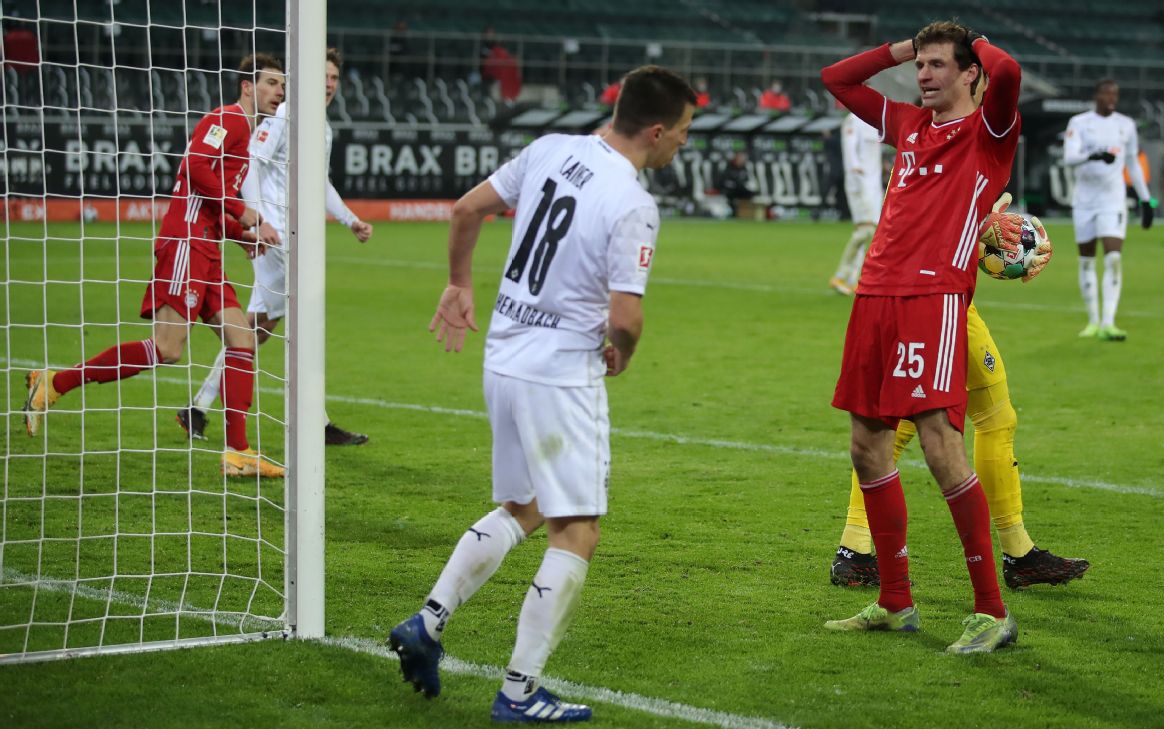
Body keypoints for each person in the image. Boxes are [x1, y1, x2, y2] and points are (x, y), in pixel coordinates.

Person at [387, 66, 696, 721]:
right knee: (577, 529)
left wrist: (458, 283)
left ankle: (427, 622)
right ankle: (519, 691)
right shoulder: (632, 201)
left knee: (524, 505)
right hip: (559, 372)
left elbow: (467, 208)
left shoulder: (551, 148)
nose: (683, 143)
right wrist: (622, 350)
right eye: (684, 130)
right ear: (656, 129)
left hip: (504, 355)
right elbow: (627, 316)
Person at [821, 20, 1038, 653]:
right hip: (874, 295)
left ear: (970, 73)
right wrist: (902, 48)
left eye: (938, 64)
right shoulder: (909, 125)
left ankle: (991, 611)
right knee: (867, 446)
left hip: (933, 299)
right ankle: (895, 601)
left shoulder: (990, 131)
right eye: (920, 65)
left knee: (941, 445)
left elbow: (1009, 72)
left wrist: (978, 39)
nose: (923, 75)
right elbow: (837, 79)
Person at [23, 54, 286, 478]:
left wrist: (243, 235)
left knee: (242, 341)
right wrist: (244, 211)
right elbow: (195, 166)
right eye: (271, 82)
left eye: (282, 85)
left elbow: (210, 201)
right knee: (167, 349)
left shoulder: (246, 133)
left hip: (207, 247)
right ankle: (55, 383)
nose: (279, 91)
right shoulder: (229, 119)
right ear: (247, 86)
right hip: (186, 244)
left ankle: (237, 452)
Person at [176, 48, 373, 447]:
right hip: (278, 237)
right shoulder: (284, 116)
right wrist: (258, 220)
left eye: (334, 78)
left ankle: (198, 407)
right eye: (322, 76)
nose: (329, 84)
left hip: (290, 237)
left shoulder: (322, 127)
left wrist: (349, 219)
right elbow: (253, 162)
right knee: (304, 320)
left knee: (258, 328)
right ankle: (315, 423)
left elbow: (320, 183)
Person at [829, 298, 1089, 590]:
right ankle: (1016, 554)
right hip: (943, 304)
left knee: (903, 417)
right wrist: (1005, 264)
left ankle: (853, 548)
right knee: (992, 418)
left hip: (894, 302)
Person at [1063, 78, 1154, 342]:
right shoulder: (1079, 123)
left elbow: (1133, 164)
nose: (1111, 99)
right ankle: (1092, 321)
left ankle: (1108, 322)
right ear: (1097, 96)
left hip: (1113, 201)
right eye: (1106, 94)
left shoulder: (1126, 125)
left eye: (1115, 94)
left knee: (1113, 258)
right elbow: (1069, 158)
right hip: (1084, 201)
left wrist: (1146, 200)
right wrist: (1093, 156)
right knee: (1087, 260)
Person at [828, 113, 883, 295]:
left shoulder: (875, 119)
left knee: (869, 233)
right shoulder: (854, 119)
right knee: (866, 231)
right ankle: (841, 276)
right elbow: (850, 150)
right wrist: (856, 174)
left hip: (874, 186)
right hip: (860, 183)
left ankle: (854, 280)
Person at [716, 151, 755, 217]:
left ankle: (746, 212)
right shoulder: (728, 167)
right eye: (740, 158)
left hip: (740, 189)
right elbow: (723, 182)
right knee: (729, 195)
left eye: (743, 159)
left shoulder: (744, 168)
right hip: (730, 191)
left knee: (750, 193)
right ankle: (731, 212)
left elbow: (747, 180)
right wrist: (734, 184)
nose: (741, 160)